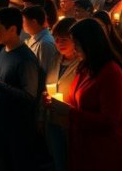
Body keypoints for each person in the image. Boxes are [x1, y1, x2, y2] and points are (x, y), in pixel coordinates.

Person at [46, 18, 122, 171]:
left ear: (90, 44)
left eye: (77, 45)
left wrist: (69, 112)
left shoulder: (111, 72)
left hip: (104, 151)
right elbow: (79, 101)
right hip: (83, 145)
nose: (74, 50)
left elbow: (109, 121)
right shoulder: (85, 67)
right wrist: (56, 103)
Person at [0, 7, 41, 171]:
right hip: (2, 125)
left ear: (13, 29)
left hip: (18, 130)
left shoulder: (25, 59)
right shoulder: (3, 51)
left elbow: (29, 97)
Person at [43, 17, 79, 171]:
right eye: (56, 39)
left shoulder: (82, 63)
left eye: (64, 39)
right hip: (53, 121)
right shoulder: (55, 59)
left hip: (72, 123)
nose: (59, 43)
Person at [22, 6, 58, 74]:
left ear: (34, 22)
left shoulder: (45, 44)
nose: (22, 24)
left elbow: (46, 72)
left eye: (23, 21)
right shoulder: (34, 38)